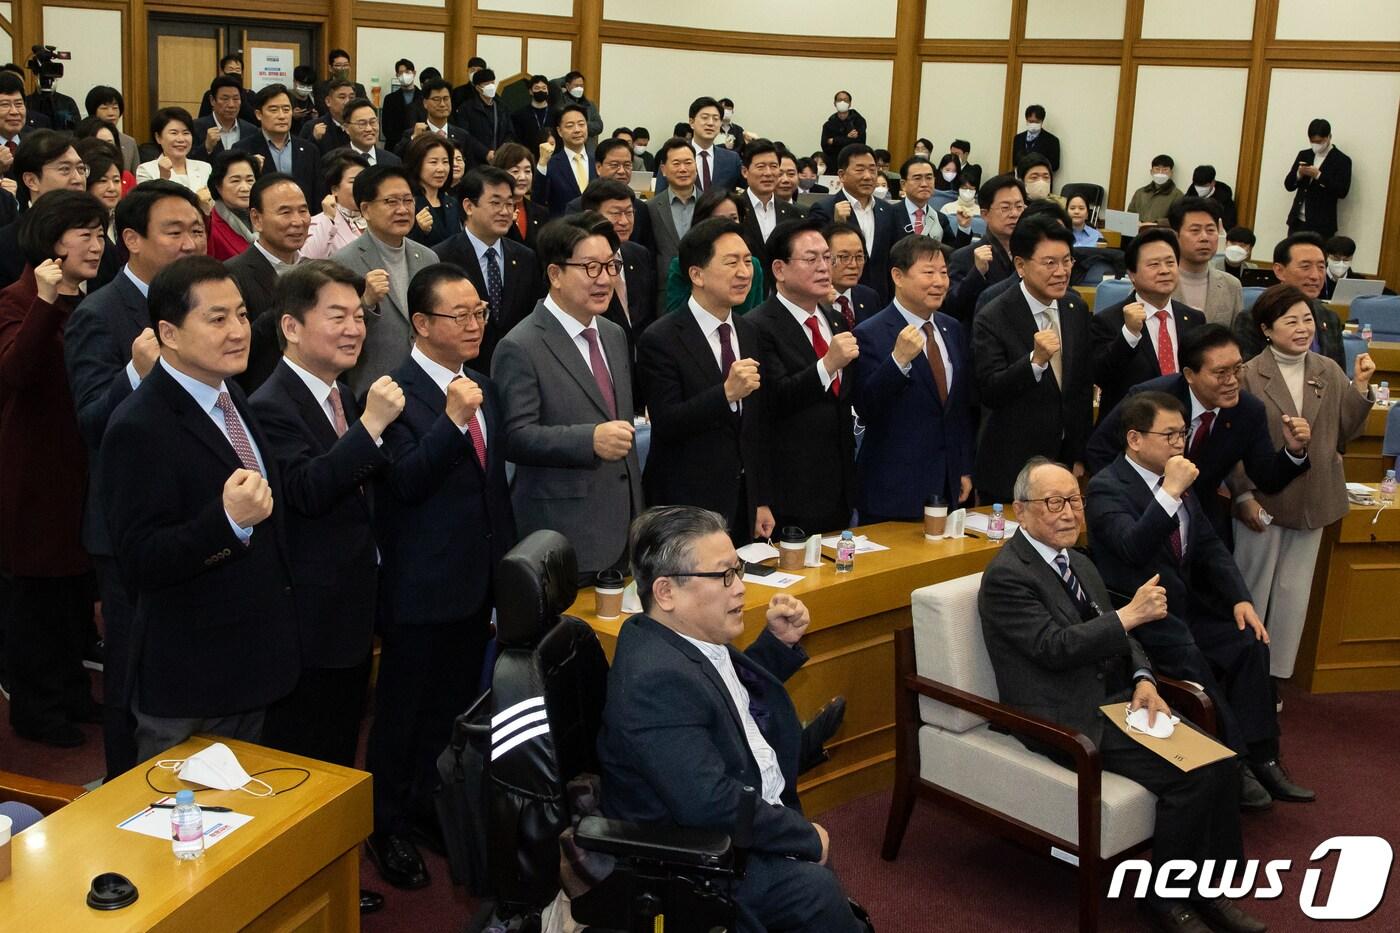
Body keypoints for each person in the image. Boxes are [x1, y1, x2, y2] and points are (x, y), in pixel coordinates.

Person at [981, 457, 1265, 933]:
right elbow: (1054, 648)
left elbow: (1120, 635)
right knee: (1189, 777)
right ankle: (1165, 902)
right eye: (1054, 503)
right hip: (1062, 716)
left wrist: (1143, 679)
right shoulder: (1008, 576)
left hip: (1116, 699)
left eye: (1075, 500)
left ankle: (1209, 892)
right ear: (1021, 510)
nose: (1069, 513)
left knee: (1219, 760)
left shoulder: (1079, 562)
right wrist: (1128, 617)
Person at [598, 506, 865, 933]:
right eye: (724, 576)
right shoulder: (655, 680)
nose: (740, 588)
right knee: (816, 895)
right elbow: (711, 804)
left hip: (737, 821)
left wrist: (776, 644)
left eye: (738, 570)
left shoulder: (679, 638)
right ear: (666, 592)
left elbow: (719, 696)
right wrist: (806, 838)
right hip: (700, 862)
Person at [99, 255, 298, 759]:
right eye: (216, 319)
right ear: (168, 332)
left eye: (241, 314)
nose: (238, 331)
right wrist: (226, 522)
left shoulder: (230, 392)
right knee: (184, 825)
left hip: (252, 658)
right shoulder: (138, 426)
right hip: (192, 678)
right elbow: (142, 561)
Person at [247, 260, 395, 915]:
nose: (353, 328)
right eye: (337, 315)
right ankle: (297, 892)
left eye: (359, 316)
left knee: (337, 754)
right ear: (290, 325)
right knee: (301, 761)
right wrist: (370, 430)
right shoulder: (271, 404)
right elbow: (305, 491)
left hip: (349, 607)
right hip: (306, 620)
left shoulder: (340, 390)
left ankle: (330, 880)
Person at [1086, 391, 1315, 809]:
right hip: (1143, 615)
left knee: (1249, 639)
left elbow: (1209, 548)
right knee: (1188, 652)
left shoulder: (1180, 481)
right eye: (1170, 434)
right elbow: (1133, 548)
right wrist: (1169, 492)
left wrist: (1240, 599)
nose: (1180, 443)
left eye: (1183, 433)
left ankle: (1265, 755)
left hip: (1186, 607)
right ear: (1135, 439)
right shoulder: (1106, 487)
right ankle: (1236, 763)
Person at [365, 263, 515, 891]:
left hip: (475, 581)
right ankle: (385, 826)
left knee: (450, 712)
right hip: (418, 585)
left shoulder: (479, 383)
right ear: (421, 324)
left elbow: (493, 493)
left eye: (480, 312)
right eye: (461, 316)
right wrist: (451, 423)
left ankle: (429, 807)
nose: (476, 324)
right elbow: (402, 485)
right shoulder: (393, 393)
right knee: (401, 715)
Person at [63, 180, 205, 776]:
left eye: (196, 229)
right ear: (131, 240)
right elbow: (92, 420)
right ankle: (124, 786)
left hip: (195, 514)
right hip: (129, 525)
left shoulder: (202, 299)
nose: (190, 241)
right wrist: (135, 372)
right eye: (174, 231)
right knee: (131, 668)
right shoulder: (99, 313)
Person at [0, 190, 107, 747]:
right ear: (50, 243)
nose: (98, 245)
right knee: (37, 601)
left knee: (72, 596)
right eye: (85, 234)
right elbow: (16, 371)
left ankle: (69, 693)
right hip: (34, 476)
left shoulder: (85, 305)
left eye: (100, 233)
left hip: (79, 473)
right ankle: (35, 710)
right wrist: (44, 300)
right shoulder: (15, 302)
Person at [1229, 284, 1374, 681]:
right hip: (1264, 499)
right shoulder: (1247, 375)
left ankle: (1276, 678)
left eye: (1307, 319)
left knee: (1294, 596)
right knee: (1252, 590)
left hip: (1314, 497)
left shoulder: (1327, 369)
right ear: (1266, 328)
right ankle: (1245, 673)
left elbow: (1347, 428)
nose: (1302, 328)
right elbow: (1232, 445)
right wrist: (1242, 494)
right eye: (1290, 320)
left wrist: (1360, 387)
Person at [493, 214, 640, 579]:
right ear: (555, 274)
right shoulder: (520, 345)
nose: (605, 279)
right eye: (591, 267)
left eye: (611, 265)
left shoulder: (612, 333)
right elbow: (514, 437)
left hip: (625, 528)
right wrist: (588, 439)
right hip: (564, 535)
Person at [1087, 324, 1312, 542]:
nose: (1232, 381)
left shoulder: (1248, 410)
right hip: (1141, 513)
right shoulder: (1150, 398)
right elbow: (1100, 449)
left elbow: (1267, 478)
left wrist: (1294, 451)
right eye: (1221, 373)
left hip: (1201, 518)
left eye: (1237, 369)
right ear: (1189, 374)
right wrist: (1126, 500)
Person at [640, 217, 774, 543]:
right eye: (731, 263)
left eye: (747, 261)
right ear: (696, 274)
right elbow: (667, 421)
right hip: (686, 506)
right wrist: (726, 393)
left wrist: (761, 498)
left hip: (743, 501)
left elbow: (756, 427)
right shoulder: (662, 337)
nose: (745, 272)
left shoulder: (749, 331)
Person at [745, 217, 857, 534]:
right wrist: (828, 364)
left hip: (838, 484)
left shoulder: (835, 320)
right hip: (789, 488)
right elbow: (773, 400)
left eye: (827, 258)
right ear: (779, 270)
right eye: (811, 259)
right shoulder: (758, 325)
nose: (824, 268)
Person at [852, 235, 974, 522]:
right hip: (893, 489)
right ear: (898, 276)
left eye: (943, 273)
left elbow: (958, 409)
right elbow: (866, 407)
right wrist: (898, 362)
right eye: (928, 272)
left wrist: (963, 467)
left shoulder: (952, 328)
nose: (940, 282)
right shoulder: (870, 333)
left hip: (947, 484)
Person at [972, 214, 1093, 502]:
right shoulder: (994, 314)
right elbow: (989, 390)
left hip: (1063, 461)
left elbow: (1080, 386)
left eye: (1067, 261)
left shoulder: (1074, 306)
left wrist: (1078, 452)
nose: (1062, 271)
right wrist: (1034, 363)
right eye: (1050, 263)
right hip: (1012, 464)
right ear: (1021, 265)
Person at [333, 165, 440, 396]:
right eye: (391, 202)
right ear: (366, 209)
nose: (402, 209)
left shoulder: (428, 258)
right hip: (374, 389)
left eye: (408, 200)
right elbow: (334, 333)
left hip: (427, 386)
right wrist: (367, 302)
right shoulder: (342, 263)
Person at [1090, 227, 1206, 420]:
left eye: (1170, 262)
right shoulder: (1108, 320)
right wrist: (1129, 334)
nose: (1164, 270)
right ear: (1132, 274)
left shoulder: (1194, 318)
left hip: (1183, 422)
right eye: (1153, 264)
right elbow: (1100, 376)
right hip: (1132, 426)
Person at [434, 166, 544, 369]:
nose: (505, 211)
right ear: (468, 206)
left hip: (518, 368)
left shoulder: (526, 257)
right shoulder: (441, 257)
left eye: (509, 204)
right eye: (495, 203)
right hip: (464, 371)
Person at [227, 173, 313, 391]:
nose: (298, 221)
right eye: (285, 212)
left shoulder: (316, 271)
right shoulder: (230, 274)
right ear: (256, 219)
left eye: (303, 210)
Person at [579, 180, 656, 385]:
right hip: (601, 370)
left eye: (629, 213)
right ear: (591, 215)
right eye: (615, 213)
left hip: (643, 371)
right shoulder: (579, 264)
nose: (624, 221)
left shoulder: (638, 254)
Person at [1232, 232, 1345, 370]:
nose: (1315, 276)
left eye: (1321, 267)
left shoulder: (1330, 318)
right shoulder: (1252, 318)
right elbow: (1247, 376)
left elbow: (1339, 376)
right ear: (1279, 271)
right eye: (1305, 267)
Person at [0, 131, 97, 289]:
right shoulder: (6, 246)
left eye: (81, 169)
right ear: (31, 180)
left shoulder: (97, 240)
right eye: (65, 170)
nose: (78, 179)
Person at [808, 144, 901, 303]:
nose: (868, 176)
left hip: (879, 300)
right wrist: (837, 223)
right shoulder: (824, 209)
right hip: (837, 299)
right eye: (859, 170)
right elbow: (815, 255)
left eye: (872, 170)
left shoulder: (887, 210)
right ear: (842, 175)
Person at [663, 189, 765, 315]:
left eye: (734, 218)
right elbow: (675, 315)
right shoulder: (682, 264)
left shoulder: (753, 265)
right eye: (718, 219)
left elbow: (757, 314)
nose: (727, 225)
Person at [944, 174, 1025, 320]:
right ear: (985, 214)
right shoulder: (963, 257)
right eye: (1005, 208)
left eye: (1019, 207)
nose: (1014, 214)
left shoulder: (1030, 254)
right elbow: (950, 308)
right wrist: (977, 273)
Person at [233, 84, 323, 210]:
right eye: (273, 110)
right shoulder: (243, 150)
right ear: (259, 114)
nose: (282, 116)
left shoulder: (309, 150)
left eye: (286, 110)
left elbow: (317, 196)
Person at [561, 138, 655, 253]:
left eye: (627, 165)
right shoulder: (578, 206)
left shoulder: (640, 207)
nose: (621, 171)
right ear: (598, 168)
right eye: (614, 165)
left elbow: (648, 252)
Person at [1167, 196, 1243, 328]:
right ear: (1175, 236)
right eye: (1195, 230)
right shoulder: (1155, 281)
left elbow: (1239, 339)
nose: (1204, 238)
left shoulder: (1232, 285)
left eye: (1210, 230)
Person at [647, 137, 699, 306]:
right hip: (665, 294)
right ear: (663, 169)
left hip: (705, 291)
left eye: (688, 163)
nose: (683, 169)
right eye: (676, 163)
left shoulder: (712, 204)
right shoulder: (651, 207)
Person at [656, 98, 740, 195]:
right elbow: (660, 199)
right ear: (691, 122)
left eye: (716, 119)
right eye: (705, 118)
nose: (710, 123)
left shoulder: (732, 159)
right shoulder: (673, 155)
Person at [1284, 118, 1350, 239]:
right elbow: (1288, 185)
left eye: (1319, 141)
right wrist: (1299, 174)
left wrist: (1319, 176)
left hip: (1321, 224)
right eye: (1312, 141)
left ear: (1329, 137)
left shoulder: (1342, 160)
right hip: (1297, 221)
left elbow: (1342, 191)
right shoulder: (1304, 154)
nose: (1316, 145)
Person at [735, 139, 797, 267]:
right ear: (745, 172)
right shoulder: (735, 209)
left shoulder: (792, 212)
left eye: (774, 166)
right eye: (761, 167)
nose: (768, 173)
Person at [301, 151, 369, 259]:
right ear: (335, 189)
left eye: (365, 180)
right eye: (353, 182)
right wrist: (328, 219)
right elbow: (309, 260)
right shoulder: (318, 222)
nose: (362, 186)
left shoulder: (376, 218)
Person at [135, 108, 212, 200]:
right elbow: (149, 205)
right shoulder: (145, 170)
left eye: (186, 133)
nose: (181, 139)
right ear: (158, 137)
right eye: (174, 133)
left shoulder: (205, 168)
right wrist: (163, 178)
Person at [402, 134, 460, 249]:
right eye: (433, 162)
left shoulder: (452, 202)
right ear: (417, 164)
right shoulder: (407, 203)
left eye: (445, 162)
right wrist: (419, 230)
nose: (441, 169)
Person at [892, 155, 962, 246]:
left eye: (929, 178)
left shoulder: (940, 219)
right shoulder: (890, 215)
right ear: (903, 184)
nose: (924, 184)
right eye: (917, 178)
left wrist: (964, 228)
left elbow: (952, 253)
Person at [542, 103, 595, 218]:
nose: (577, 130)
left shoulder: (597, 162)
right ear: (559, 131)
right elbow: (539, 200)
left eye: (581, 124)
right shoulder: (551, 164)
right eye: (570, 126)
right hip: (563, 231)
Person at [397, 78, 472, 159]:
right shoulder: (414, 134)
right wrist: (414, 138)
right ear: (425, 103)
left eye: (446, 98)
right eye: (436, 99)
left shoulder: (462, 136)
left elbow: (470, 165)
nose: (442, 104)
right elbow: (398, 157)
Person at [204, 150, 258, 261]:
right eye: (235, 181)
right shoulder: (209, 226)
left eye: (250, 180)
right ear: (218, 186)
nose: (245, 188)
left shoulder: (266, 218)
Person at [493, 142, 548, 251]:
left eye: (527, 171)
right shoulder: (491, 212)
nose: (523, 177)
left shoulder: (542, 213)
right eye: (515, 171)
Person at [825, 224, 881, 328]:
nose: (854, 265)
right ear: (825, 258)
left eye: (859, 256)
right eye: (844, 257)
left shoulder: (869, 297)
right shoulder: (813, 301)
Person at [192, 76, 258, 161]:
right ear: (212, 100)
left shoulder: (251, 131)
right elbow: (186, 162)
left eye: (236, 99)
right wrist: (206, 147)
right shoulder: (195, 128)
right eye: (225, 99)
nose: (231, 105)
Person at [457, 69, 512, 160]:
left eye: (492, 83)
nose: (491, 86)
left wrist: (502, 151)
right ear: (478, 87)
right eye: (486, 84)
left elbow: (509, 132)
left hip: (500, 158)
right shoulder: (466, 108)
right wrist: (485, 152)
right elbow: (465, 135)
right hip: (476, 159)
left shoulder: (502, 107)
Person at [83, 86, 140, 173]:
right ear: (93, 111)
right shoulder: (84, 138)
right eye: (104, 108)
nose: (111, 113)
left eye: (115, 108)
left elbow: (134, 178)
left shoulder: (129, 142)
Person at [195, 54, 256, 124]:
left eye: (238, 69)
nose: (234, 72)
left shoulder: (250, 94)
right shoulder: (210, 94)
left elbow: (255, 119)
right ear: (222, 72)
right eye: (231, 69)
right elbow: (203, 119)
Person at [341, 98, 401, 168]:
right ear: (346, 128)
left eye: (373, 122)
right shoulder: (336, 161)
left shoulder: (393, 161)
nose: (369, 129)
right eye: (362, 124)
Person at [1125, 154, 1182, 226]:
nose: (1160, 173)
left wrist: (1156, 223)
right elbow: (1130, 213)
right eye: (1157, 169)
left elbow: (1177, 219)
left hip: (1162, 235)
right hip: (1138, 234)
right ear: (1151, 171)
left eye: (1165, 170)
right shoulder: (1140, 192)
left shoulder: (1177, 195)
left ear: (1171, 173)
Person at [555, 70, 604, 151]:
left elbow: (599, 126)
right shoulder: (561, 105)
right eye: (576, 85)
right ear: (567, 86)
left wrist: (581, 125)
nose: (579, 88)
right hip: (568, 149)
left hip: (589, 150)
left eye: (581, 86)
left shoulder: (590, 104)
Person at [380, 59, 423, 151]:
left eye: (407, 72)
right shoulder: (390, 99)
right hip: (394, 147)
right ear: (397, 75)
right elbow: (386, 129)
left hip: (419, 147)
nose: (404, 75)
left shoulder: (424, 97)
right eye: (401, 73)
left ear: (414, 73)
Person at [509, 75, 553, 163]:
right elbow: (516, 140)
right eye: (537, 88)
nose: (541, 91)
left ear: (548, 91)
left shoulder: (557, 114)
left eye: (544, 88)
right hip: (527, 158)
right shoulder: (519, 115)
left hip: (552, 158)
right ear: (530, 91)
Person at [820, 90, 866, 171]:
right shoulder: (828, 124)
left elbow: (859, 144)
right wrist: (848, 138)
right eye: (839, 100)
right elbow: (825, 147)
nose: (842, 102)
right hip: (833, 164)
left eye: (845, 100)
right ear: (834, 103)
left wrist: (834, 141)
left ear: (850, 103)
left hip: (855, 163)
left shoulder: (858, 122)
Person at [1011, 104, 1060, 173]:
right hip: (1020, 179)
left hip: (1040, 179)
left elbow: (1055, 166)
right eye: (1030, 121)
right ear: (1026, 120)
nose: (1033, 125)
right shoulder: (1018, 138)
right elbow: (1015, 162)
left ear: (1042, 121)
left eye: (1037, 122)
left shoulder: (1052, 140)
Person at [1189, 165, 1236, 229]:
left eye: (1204, 186)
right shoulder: (1188, 198)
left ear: (1213, 183)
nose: (1200, 189)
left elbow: (1228, 225)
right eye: (1197, 185)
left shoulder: (1225, 201)